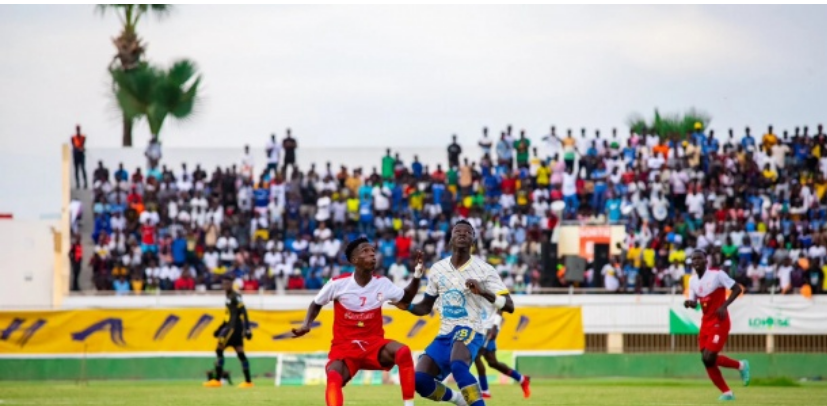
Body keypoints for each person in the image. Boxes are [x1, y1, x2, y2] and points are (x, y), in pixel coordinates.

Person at [291, 238, 422, 406]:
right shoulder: (338, 284)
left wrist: (417, 274)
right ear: (354, 260)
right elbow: (316, 304)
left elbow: (407, 298)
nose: (372, 254)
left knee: (403, 352)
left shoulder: (382, 283)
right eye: (365, 251)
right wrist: (306, 324)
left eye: (373, 252)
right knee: (333, 377)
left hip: (374, 345)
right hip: (344, 348)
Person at [398, 220, 514, 406]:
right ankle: (459, 399)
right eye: (457, 231)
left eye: (467, 232)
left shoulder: (485, 270)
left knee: (458, 366)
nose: (462, 234)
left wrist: (483, 290)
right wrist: (409, 307)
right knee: (419, 380)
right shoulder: (437, 269)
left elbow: (509, 306)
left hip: (472, 328)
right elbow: (426, 306)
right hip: (445, 334)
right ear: (450, 239)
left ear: (473, 241)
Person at [684, 250, 750, 401]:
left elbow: (737, 289)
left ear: (706, 261)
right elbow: (695, 303)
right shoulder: (692, 280)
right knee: (706, 359)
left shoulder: (717, 275)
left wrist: (724, 305)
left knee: (709, 356)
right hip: (706, 322)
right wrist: (690, 303)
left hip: (720, 321)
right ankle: (728, 392)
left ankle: (741, 367)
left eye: (699, 258)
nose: (696, 261)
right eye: (693, 259)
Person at [204, 275, 254, 388]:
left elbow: (244, 312)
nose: (225, 286)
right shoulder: (228, 296)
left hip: (233, 328)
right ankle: (248, 381)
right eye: (224, 284)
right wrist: (219, 328)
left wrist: (247, 328)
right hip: (230, 327)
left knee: (219, 350)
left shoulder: (235, 296)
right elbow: (228, 316)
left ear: (232, 284)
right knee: (240, 353)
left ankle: (217, 380)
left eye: (227, 283)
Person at [473, 304, 530, 399]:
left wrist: (495, 327)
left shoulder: (492, 290)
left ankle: (485, 391)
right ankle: (522, 379)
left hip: (490, 328)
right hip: (478, 326)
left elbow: (500, 306)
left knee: (477, 355)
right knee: (492, 362)